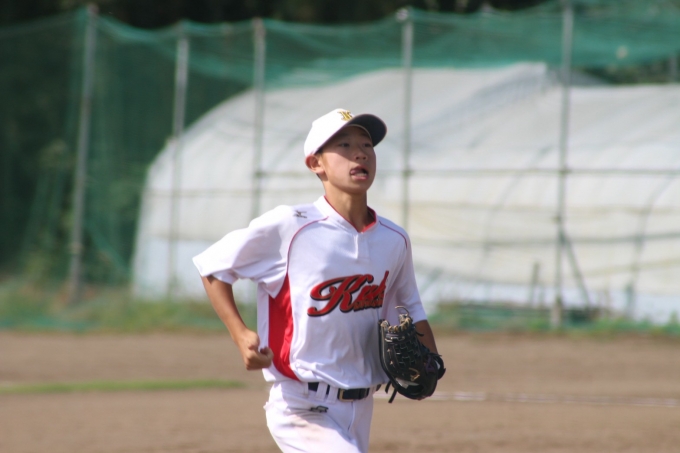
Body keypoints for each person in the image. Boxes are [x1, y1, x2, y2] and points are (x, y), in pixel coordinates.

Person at [193, 108, 440, 453]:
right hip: (301, 404)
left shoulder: (393, 239)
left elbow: (410, 306)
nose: (360, 153)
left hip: (362, 406)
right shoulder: (291, 226)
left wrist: (430, 362)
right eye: (344, 145)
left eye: (367, 145)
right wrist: (240, 334)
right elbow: (213, 267)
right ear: (316, 163)